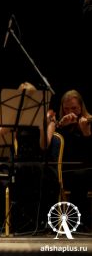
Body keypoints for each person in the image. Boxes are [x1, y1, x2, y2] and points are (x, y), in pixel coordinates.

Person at [46, 89, 92, 228]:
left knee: (81, 175)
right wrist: (61, 127)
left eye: (74, 108)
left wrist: (87, 134)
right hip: (64, 169)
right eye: (66, 109)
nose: (70, 112)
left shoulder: (88, 121)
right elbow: (53, 150)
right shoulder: (60, 125)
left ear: (81, 107)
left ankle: (79, 219)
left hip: (86, 169)